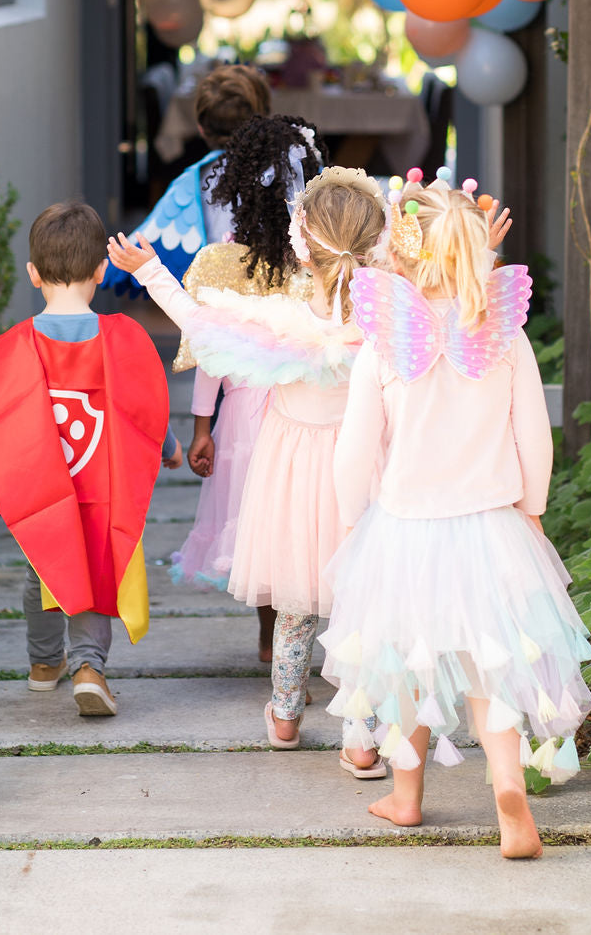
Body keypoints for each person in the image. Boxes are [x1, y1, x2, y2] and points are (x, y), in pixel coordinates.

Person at [321, 175, 591, 858]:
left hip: (405, 528)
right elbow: (535, 433)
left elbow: (355, 448)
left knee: (408, 668)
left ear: (404, 256)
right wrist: (531, 508)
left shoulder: (384, 343)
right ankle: (509, 794)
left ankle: (406, 796)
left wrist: (352, 518)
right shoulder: (502, 335)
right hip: (489, 526)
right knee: (489, 670)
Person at [106, 167, 388, 775]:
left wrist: (149, 269)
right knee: (362, 606)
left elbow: (201, 323)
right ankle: (362, 739)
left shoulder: (281, 322)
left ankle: (285, 717)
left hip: (291, 470)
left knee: (294, 605)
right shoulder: (384, 322)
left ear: (302, 242)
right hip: (362, 470)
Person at [0, 201, 171, 718]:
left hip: (41, 488)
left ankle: (42, 664)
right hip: (105, 482)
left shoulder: (12, 348)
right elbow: (146, 405)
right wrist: (167, 449)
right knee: (98, 568)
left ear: (33, 274)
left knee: (44, 566)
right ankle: (89, 667)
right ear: (102, 270)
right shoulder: (124, 337)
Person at [170, 113, 326, 664]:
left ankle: (272, 637)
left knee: (255, 522)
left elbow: (211, 352)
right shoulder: (323, 266)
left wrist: (201, 427)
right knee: (304, 519)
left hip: (240, 418)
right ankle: (297, 634)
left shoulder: (221, 264)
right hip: (306, 411)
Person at [101, 63, 271, 297]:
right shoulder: (288, 172)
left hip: (212, 311)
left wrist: (98, 268)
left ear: (200, 129)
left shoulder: (189, 183)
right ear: (264, 120)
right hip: (273, 307)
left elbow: (138, 244)